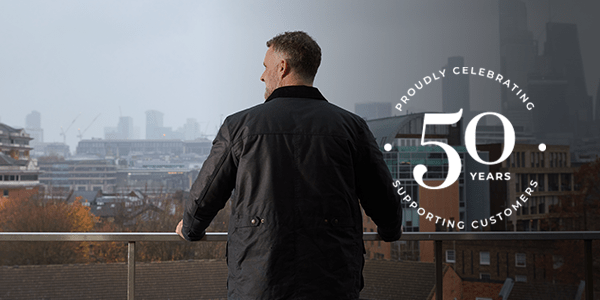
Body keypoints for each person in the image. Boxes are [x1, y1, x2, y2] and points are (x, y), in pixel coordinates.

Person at [176, 31, 402, 300]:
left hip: (258, 282)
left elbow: (206, 195)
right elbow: (385, 203)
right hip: (332, 282)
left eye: (264, 67)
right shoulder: (351, 127)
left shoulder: (240, 126)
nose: (261, 76)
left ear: (282, 68)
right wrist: (389, 231)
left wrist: (190, 229)